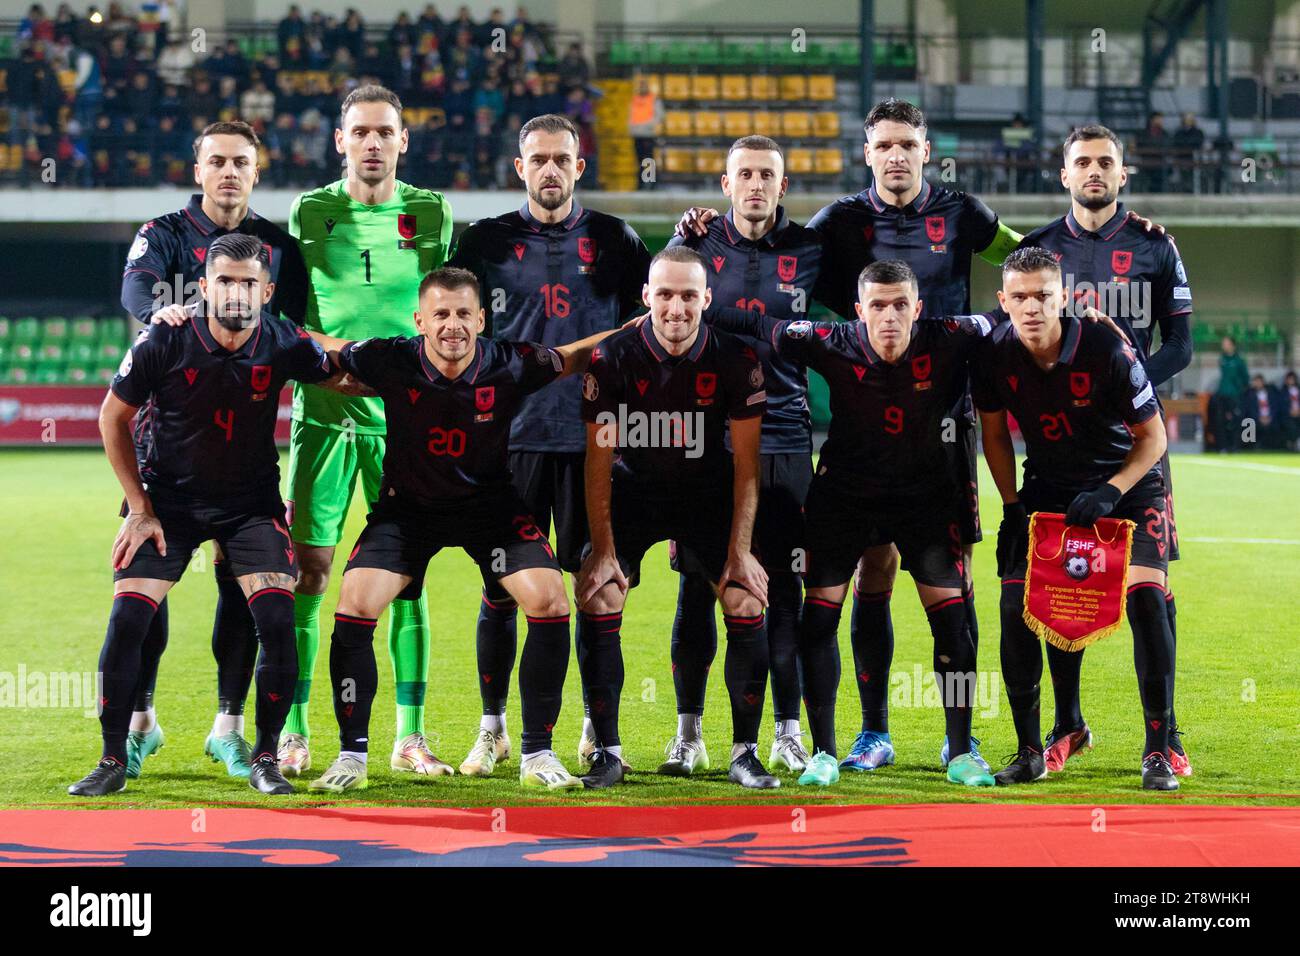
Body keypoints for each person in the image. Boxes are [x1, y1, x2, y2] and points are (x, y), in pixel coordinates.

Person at [303, 268, 617, 792]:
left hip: (490, 509)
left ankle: (537, 752)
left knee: (550, 600)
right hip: (408, 513)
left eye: (463, 314)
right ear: (420, 321)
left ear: (481, 319)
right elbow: (327, 349)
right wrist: (262, 325)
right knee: (355, 603)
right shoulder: (391, 357)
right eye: (442, 315)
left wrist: (643, 322)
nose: (453, 325)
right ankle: (352, 757)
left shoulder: (509, 362)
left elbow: (574, 356)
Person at [69, 234, 337, 797]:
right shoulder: (163, 338)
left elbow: (346, 372)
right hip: (168, 502)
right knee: (128, 620)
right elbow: (111, 419)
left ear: (266, 291)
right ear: (203, 286)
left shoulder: (284, 339)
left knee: (277, 622)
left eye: (247, 283)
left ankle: (265, 756)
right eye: (225, 280)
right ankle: (113, 758)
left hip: (251, 507)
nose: (235, 292)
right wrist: (139, 507)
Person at [710, 260, 996, 788]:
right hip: (843, 499)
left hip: (926, 502)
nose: (890, 317)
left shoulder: (951, 335)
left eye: (900, 305)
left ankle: (960, 752)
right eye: (878, 306)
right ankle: (823, 752)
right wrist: (698, 305)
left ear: (918, 308)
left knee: (953, 624)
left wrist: (1076, 312)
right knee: (818, 621)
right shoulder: (830, 339)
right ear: (860, 311)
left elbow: (1010, 315)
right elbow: (758, 326)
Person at [447, 113, 651, 777]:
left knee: (596, 587)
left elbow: (651, 322)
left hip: (597, 442)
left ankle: (595, 726)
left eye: (562, 159)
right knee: (501, 590)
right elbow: (452, 327)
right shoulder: (484, 241)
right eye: (539, 159)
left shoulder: (616, 240)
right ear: (520, 167)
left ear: (579, 167)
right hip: (512, 443)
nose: (551, 170)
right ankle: (494, 728)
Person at [121, 120, 309, 782]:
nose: (229, 171)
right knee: (148, 587)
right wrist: (161, 319)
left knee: (242, 583)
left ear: (257, 172)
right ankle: (140, 722)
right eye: (217, 161)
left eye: (242, 162)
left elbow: (296, 326)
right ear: (198, 169)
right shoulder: (164, 233)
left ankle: (229, 727)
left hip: (245, 443)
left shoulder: (279, 246)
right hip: (164, 440)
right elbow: (136, 293)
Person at [1004, 123, 1194, 776]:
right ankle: (1067, 724)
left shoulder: (1155, 245)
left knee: (1150, 592)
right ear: (1063, 175)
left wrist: (1126, 380)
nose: (1093, 171)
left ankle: (1162, 737)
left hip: (1136, 441)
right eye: (1081, 161)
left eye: (1105, 162)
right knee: (1062, 587)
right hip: (1062, 454)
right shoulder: (1037, 251)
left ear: (1122, 173)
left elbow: (1181, 343)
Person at [282, 85, 455, 780]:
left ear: (403, 141)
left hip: (402, 425)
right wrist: (348, 365)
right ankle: (293, 731)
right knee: (310, 574)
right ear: (340, 141)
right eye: (361, 132)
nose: (374, 143)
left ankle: (409, 736)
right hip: (323, 418)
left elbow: (441, 307)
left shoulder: (430, 211)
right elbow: (292, 318)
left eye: (386, 131)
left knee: (407, 579)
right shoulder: (311, 212)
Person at [973, 246, 1178, 792]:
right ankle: (1029, 749)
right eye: (1019, 297)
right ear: (1003, 301)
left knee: (1146, 597)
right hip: (1049, 488)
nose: (1032, 307)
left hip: (1128, 485)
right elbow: (992, 433)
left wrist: (1111, 491)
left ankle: (1158, 747)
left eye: (1043, 295)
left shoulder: (1107, 346)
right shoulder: (993, 355)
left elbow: (1153, 437)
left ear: (1064, 295)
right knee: (1017, 606)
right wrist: (1012, 504)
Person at [661, 135, 830, 777]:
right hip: (707, 440)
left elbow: (873, 300)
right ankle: (689, 732)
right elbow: (662, 315)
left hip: (785, 436)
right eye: (745, 175)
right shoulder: (696, 248)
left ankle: (787, 730)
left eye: (767, 175)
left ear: (782, 187)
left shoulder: (813, 251)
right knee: (697, 589)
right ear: (725, 184)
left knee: (783, 586)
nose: (756, 185)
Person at [575, 246, 773, 790]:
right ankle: (607, 752)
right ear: (646, 298)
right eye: (665, 294)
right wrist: (603, 549)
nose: (677, 308)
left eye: (689, 295)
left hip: (707, 494)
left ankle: (744, 752)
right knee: (600, 592)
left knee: (744, 595)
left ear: (707, 299)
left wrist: (740, 552)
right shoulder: (611, 357)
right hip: (633, 491)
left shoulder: (737, 359)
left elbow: (747, 469)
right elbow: (597, 464)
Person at [1214, 336, 1249, 453]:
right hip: (1222, 394)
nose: (1223, 345)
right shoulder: (1222, 359)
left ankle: (1235, 446)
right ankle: (1222, 447)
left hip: (1234, 395)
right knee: (1220, 421)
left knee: (1235, 420)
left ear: (1232, 345)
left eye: (1226, 343)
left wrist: (1238, 390)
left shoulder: (1239, 360)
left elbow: (1245, 379)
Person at [627, 75, 660, 191]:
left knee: (649, 161)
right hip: (637, 135)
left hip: (648, 134)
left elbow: (659, 116)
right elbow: (631, 116)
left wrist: (645, 126)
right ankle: (641, 184)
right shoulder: (635, 99)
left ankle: (650, 184)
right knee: (639, 161)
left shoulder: (653, 99)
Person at [1282, 371, 1300, 451]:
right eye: (1289, 379)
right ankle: (1292, 444)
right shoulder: (1283, 391)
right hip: (1288, 415)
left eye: (1292, 379)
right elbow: (1281, 405)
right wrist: (1289, 411)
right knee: (1291, 425)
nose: (1291, 381)